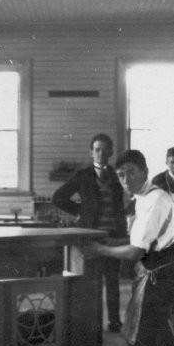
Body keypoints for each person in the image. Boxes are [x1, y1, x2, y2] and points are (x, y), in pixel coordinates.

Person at [83, 149, 174, 346]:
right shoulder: (142, 199)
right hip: (152, 274)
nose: (125, 179)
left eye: (131, 173)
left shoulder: (155, 201)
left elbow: (136, 252)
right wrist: (107, 240)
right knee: (139, 341)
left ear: (146, 172)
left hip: (159, 277)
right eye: (121, 174)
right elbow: (137, 242)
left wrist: (101, 250)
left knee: (141, 341)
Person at [52, 134, 127, 332]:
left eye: (105, 150)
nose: (101, 154)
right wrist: (80, 211)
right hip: (92, 236)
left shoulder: (118, 175)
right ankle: (91, 322)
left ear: (111, 152)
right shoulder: (83, 176)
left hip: (114, 236)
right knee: (91, 281)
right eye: (97, 149)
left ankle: (114, 321)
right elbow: (58, 197)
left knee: (112, 280)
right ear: (91, 152)